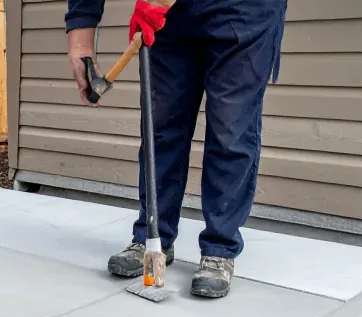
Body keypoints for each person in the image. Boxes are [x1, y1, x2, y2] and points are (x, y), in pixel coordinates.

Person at [66, 0, 287, 298]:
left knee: (231, 130)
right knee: (161, 127)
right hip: (172, 15)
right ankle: (153, 237)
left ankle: (219, 248)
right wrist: (80, 42)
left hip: (244, 10)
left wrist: (155, 2)